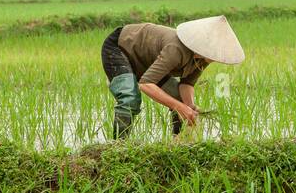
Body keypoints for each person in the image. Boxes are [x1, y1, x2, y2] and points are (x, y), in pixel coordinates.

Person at [100, 15, 245, 139]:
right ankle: (118, 145)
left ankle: (177, 142)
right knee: (129, 98)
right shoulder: (176, 50)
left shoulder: (203, 59)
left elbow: (187, 84)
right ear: (204, 46)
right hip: (120, 48)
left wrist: (189, 106)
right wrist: (179, 107)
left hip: (148, 60)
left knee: (180, 99)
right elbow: (146, 84)